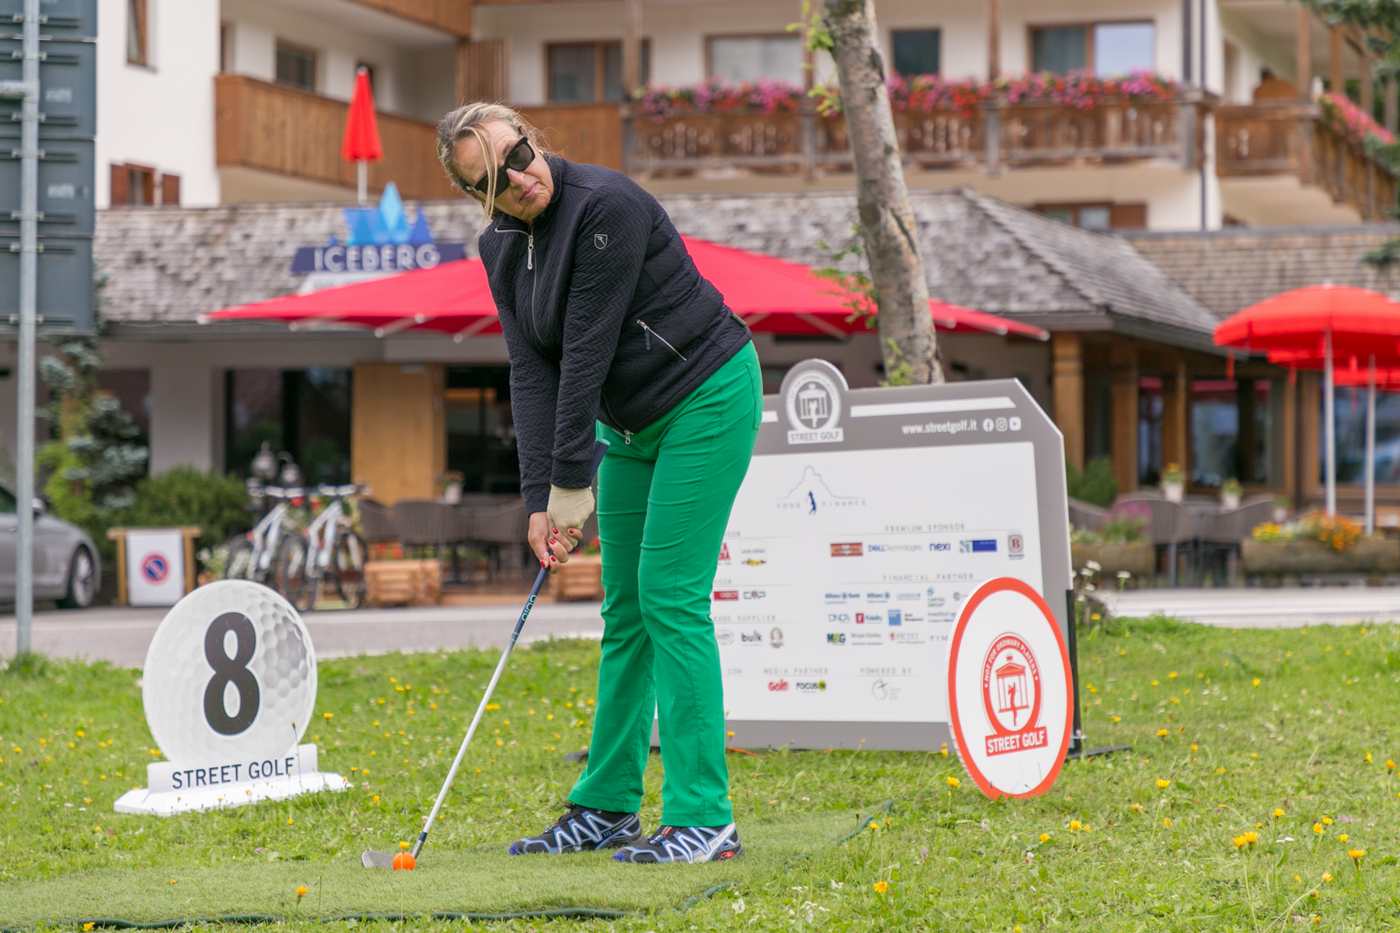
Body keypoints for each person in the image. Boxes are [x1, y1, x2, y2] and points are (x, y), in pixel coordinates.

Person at [435, 103, 762, 864]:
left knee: (669, 597)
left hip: (707, 397)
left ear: (531, 140)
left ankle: (704, 816)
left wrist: (571, 486)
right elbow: (531, 369)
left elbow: (584, 353)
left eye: (520, 154)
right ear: (478, 198)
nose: (521, 179)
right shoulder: (499, 247)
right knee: (625, 610)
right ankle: (609, 805)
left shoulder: (605, 207)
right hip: (631, 427)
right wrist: (539, 500)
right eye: (496, 181)